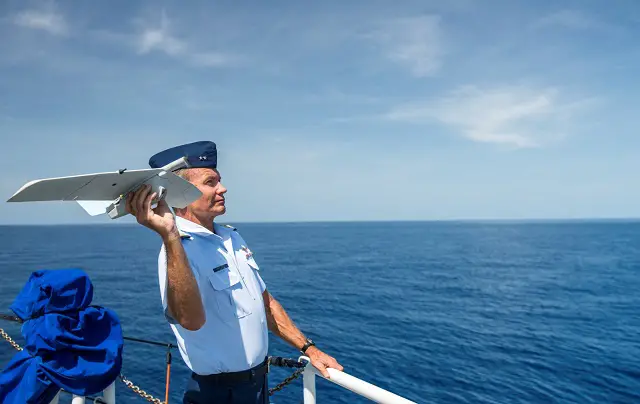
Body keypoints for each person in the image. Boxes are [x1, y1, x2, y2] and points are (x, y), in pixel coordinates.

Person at [125, 141, 342, 404]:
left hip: (257, 383)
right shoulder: (178, 251)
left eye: (220, 181)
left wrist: (309, 348)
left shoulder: (231, 237)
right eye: (211, 182)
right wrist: (170, 236)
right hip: (217, 393)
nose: (223, 188)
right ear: (180, 194)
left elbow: (264, 302)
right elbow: (190, 321)